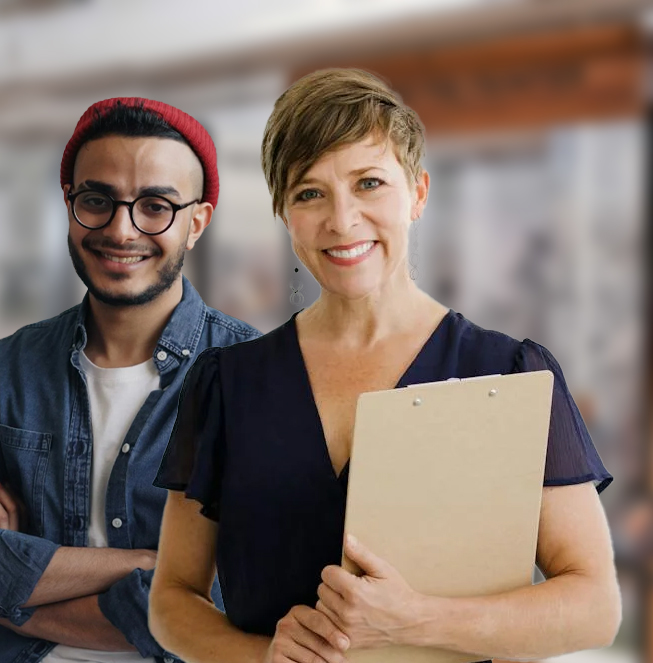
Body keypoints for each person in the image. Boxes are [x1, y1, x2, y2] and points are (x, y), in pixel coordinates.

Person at [148, 69, 622, 663]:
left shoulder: (509, 374)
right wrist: (259, 657)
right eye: (309, 193)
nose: (342, 221)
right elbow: (172, 597)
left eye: (369, 183)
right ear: (284, 214)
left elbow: (593, 606)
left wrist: (420, 621)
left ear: (418, 192)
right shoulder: (227, 384)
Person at [0, 98, 260, 663]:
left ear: (197, 223)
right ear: (71, 207)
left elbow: (235, 597)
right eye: (97, 201)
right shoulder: (7, 367)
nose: (121, 230)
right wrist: (149, 564)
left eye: (155, 206)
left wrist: (13, 585)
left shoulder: (252, 374)